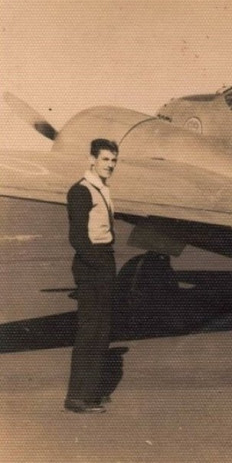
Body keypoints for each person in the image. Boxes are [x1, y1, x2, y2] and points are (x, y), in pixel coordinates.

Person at [64, 138, 119, 413]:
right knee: (90, 330)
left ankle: (91, 391)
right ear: (92, 159)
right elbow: (76, 237)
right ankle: (76, 397)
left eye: (113, 160)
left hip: (103, 259)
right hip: (91, 263)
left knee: (102, 329)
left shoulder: (102, 188)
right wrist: (98, 265)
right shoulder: (81, 191)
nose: (110, 165)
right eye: (105, 159)